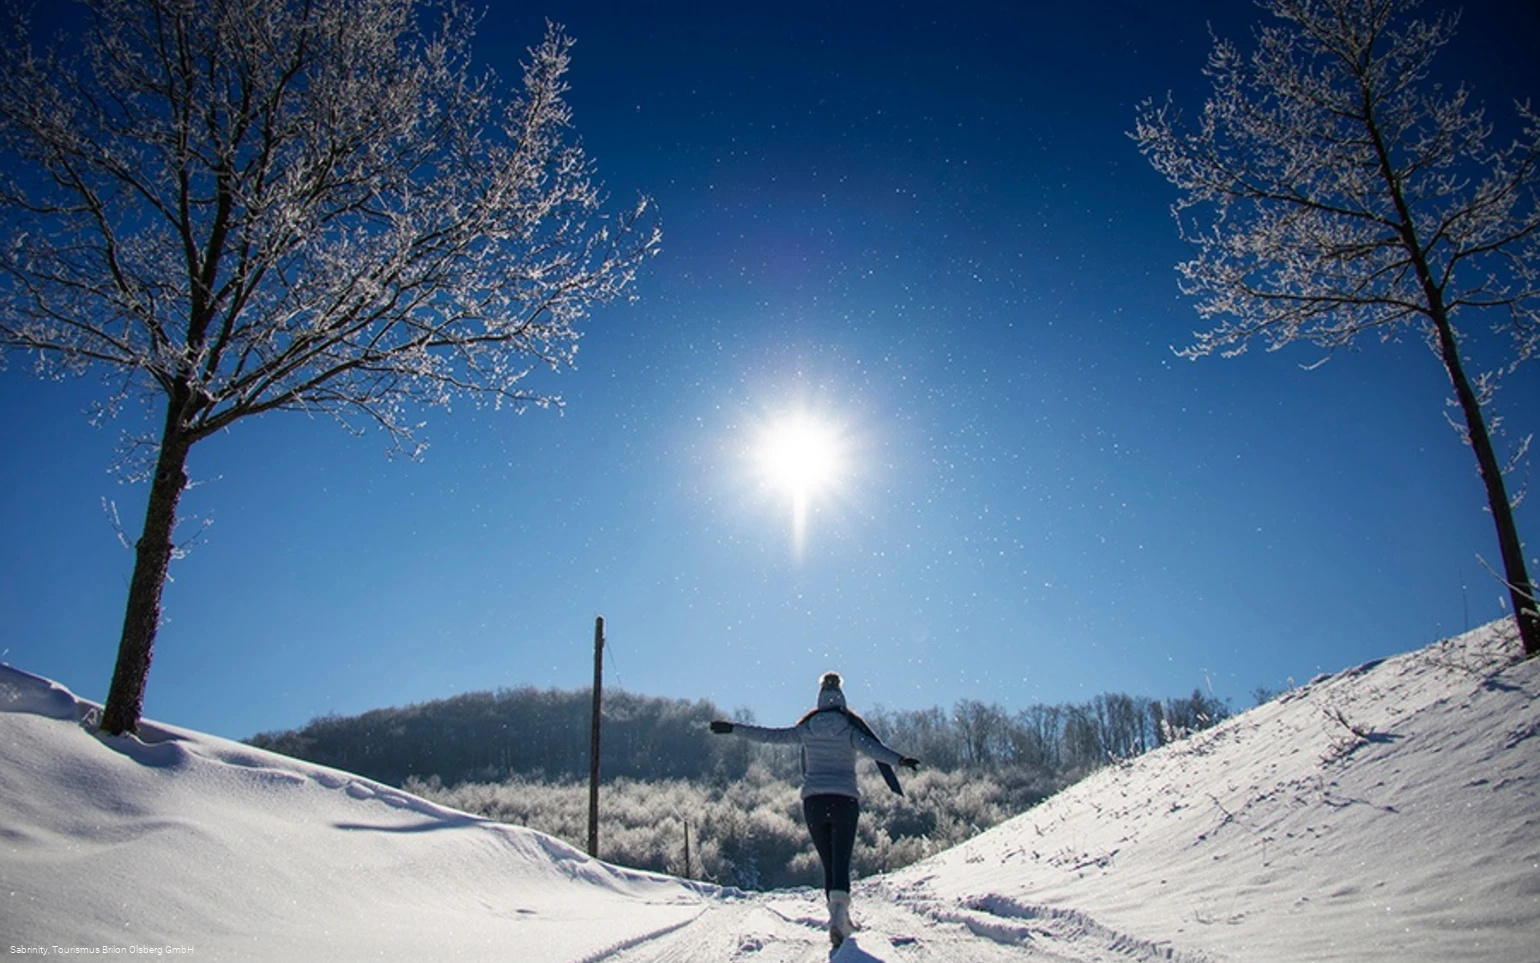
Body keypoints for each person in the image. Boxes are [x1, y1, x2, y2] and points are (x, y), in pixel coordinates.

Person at [709, 671, 919, 947]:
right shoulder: (849, 728)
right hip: (845, 801)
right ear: (841, 696)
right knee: (841, 858)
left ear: (819, 697)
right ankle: (839, 917)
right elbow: (874, 749)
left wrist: (733, 728)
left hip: (814, 802)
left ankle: (838, 917)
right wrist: (900, 760)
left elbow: (769, 735)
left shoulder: (806, 729)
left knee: (828, 861)